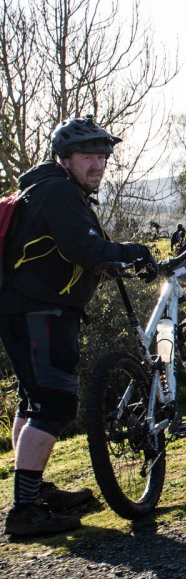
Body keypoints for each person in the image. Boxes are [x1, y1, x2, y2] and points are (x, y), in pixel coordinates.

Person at [0, 116, 155, 537]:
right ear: (64, 158)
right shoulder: (57, 193)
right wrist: (135, 252)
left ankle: (35, 490)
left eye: (103, 157)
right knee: (53, 404)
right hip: (39, 311)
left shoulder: (47, 190)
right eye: (88, 156)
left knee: (34, 403)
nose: (98, 165)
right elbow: (86, 249)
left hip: (26, 309)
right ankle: (25, 511)